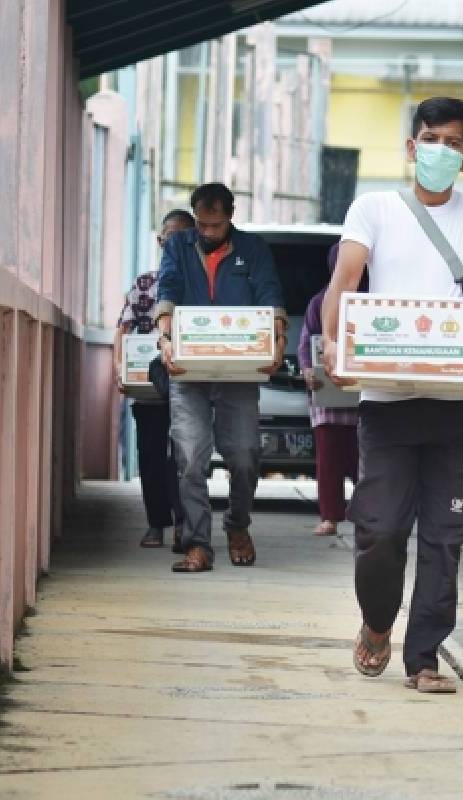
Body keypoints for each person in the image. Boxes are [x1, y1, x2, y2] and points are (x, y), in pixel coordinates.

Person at [320, 97, 463, 693]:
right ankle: (377, 622)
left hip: (458, 408)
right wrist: (332, 343)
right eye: (431, 138)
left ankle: (424, 656)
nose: (441, 150)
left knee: (444, 538)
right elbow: (344, 282)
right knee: (378, 531)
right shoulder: (374, 208)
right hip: (387, 402)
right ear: (411, 147)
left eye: (454, 142)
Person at [155, 182, 287, 574]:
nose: (208, 233)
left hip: (238, 370)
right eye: (202, 224)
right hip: (188, 369)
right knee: (190, 458)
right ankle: (198, 543)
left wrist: (277, 340)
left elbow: (269, 295)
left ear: (231, 216)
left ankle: (237, 524)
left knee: (245, 456)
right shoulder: (179, 246)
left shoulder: (253, 249)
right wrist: (165, 337)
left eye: (215, 225)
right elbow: (169, 289)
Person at [113, 209, 195, 550]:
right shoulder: (144, 284)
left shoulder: (199, 287)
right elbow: (123, 329)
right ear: (159, 242)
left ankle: (183, 522)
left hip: (190, 386)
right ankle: (155, 523)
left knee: (186, 456)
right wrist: (119, 367)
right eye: (168, 238)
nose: (173, 244)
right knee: (150, 454)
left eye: (182, 238)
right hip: (147, 386)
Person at [298, 243, 366, 537]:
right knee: (328, 461)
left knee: (366, 460)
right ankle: (330, 517)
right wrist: (307, 371)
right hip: (328, 399)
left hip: (363, 399)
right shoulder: (320, 302)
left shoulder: (372, 301)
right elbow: (305, 344)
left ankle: (368, 513)